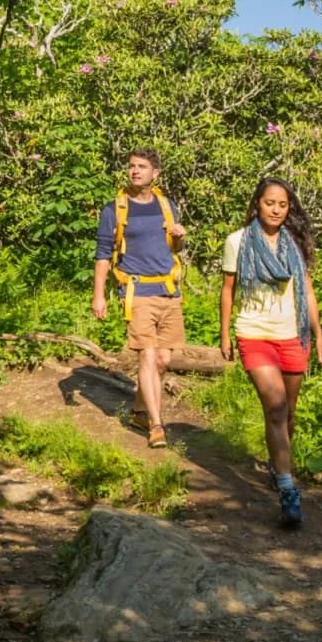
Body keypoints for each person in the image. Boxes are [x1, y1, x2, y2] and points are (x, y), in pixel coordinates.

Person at [220, 176, 322, 527]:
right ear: (257, 204)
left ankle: (277, 464)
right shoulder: (237, 242)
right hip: (254, 333)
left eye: (283, 205)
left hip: (292, 334)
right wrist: (224, 334)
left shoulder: (294, 244)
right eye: (270, 203)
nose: (276, 210)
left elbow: (308, 292)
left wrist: (319, 334)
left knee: (289, 414)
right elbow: (228, 289)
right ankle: (287, 488)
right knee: (276, 407)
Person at [92, 148, 186, 449]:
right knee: (147, 354)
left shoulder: (166, 205)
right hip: (136, 291)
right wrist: (99, 296)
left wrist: (180, 237)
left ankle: (139, 411)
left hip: (168, 290)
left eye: (142, 167)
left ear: (155, 173)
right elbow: (103, 254)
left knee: (163, 359)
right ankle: (157, 425)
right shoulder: (114, 209)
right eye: (132, 166)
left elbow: (173, 246)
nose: (135, 171)